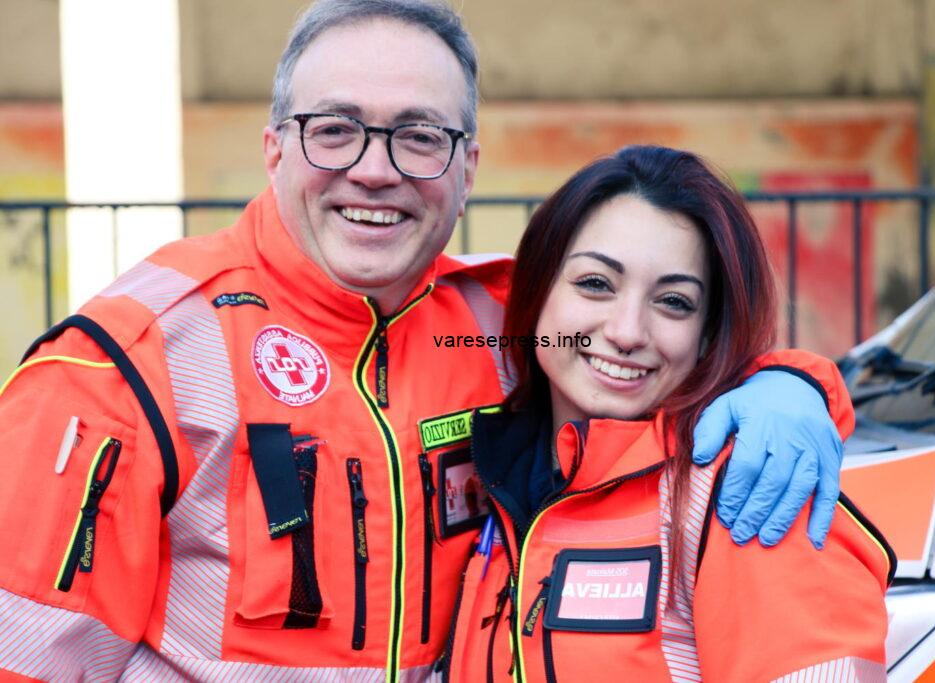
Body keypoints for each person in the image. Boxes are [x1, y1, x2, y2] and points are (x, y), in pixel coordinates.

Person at [0, 1, 848, 680]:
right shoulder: (127, 364)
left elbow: (660, 341)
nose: (375, 168)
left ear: (467, 166)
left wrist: (789, 386)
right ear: (273, 150)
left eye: (418, 136)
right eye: (334, 128)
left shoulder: (504, 320)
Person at [444, 147, 892, 682]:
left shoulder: (750, 484)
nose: (628, 331)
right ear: (536, 292)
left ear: (708, 334)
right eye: (595, 285)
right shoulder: (502, 468)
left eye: (674, 302)